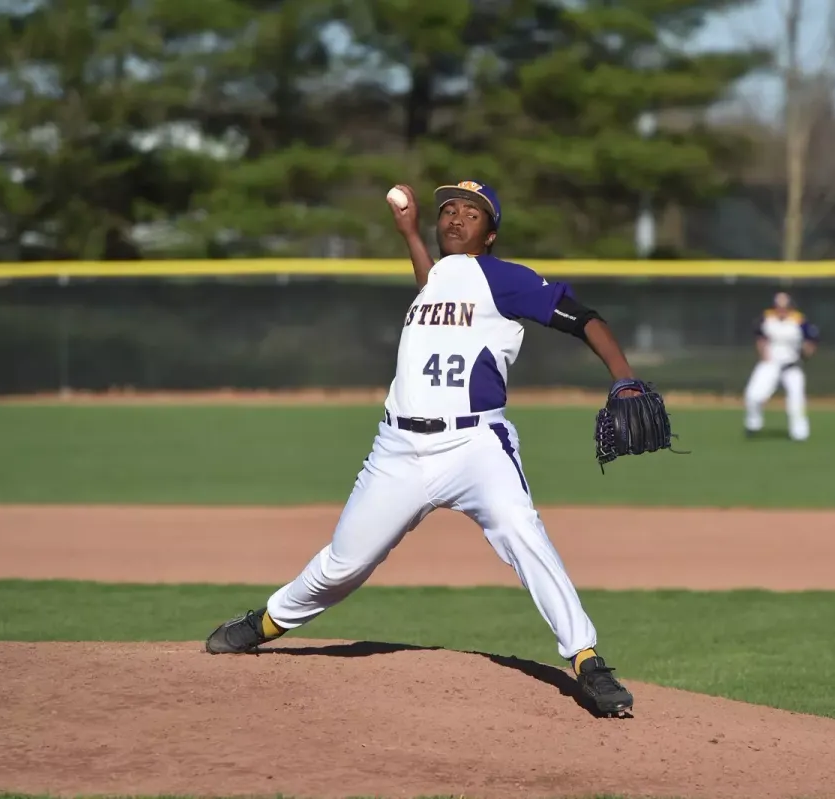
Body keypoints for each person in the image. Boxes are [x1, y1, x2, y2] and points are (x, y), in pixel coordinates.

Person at [204, 179, 644, 716]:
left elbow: (585, 318)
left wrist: (623, 377)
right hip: (398, 448)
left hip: (474, 445)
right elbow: (432, 285)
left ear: (491, 235)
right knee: (344, 565)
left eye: (472, 214)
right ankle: (267, 622)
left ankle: (587, 660)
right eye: (449, 210)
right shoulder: (437, 278)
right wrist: (411, 234)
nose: (456, 217)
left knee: (523, 533)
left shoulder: (505, 279)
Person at [743, 291, 819, 441]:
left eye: (785, 307)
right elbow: (759, 336)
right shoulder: (766, 318)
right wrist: (763, 353)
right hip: (770, 363)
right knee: (753, 395)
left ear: (790, 307)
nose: (781, 310)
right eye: (778, 306)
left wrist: (805, 355)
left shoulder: (799, 320)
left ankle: (800, 433)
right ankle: (753, 424)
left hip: (791, 365)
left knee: (796, 401)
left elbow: (812, 340)